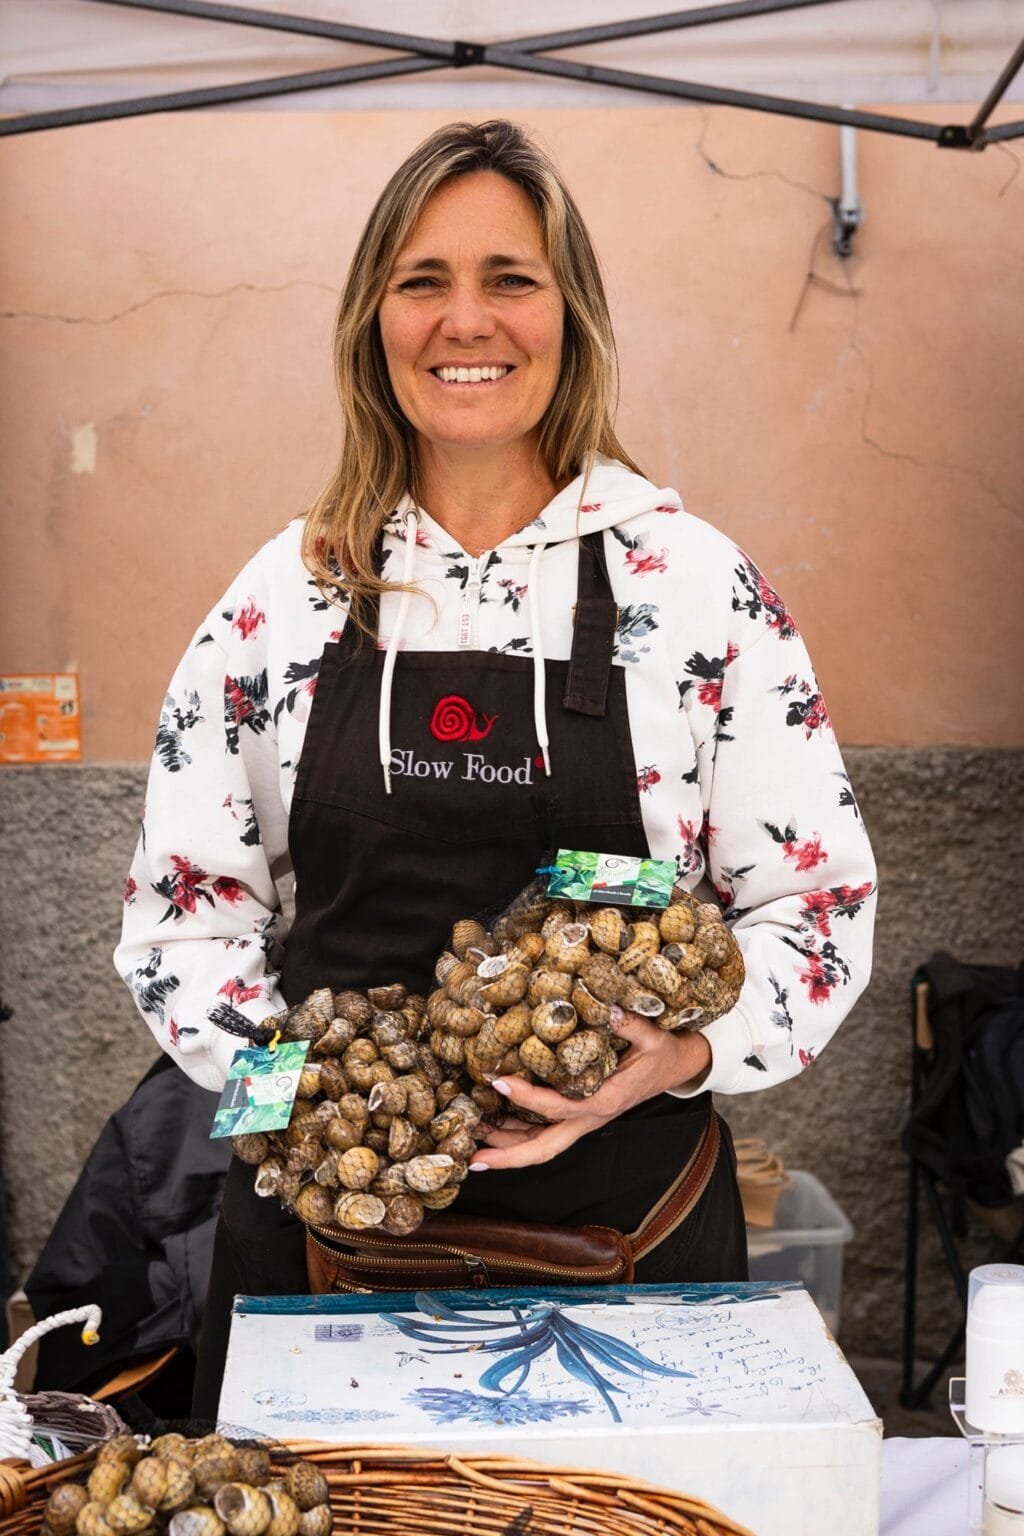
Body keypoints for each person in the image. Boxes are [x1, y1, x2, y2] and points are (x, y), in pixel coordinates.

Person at [115, 119, 877, 1416]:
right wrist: (306, 1110)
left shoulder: (694, 591)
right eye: (424, 282)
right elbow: (183, 926)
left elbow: (816, 913)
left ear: (570, 315)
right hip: (323, 1277)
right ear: (374, 322)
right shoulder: (289, 599)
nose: (467, 321)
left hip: (631, 1264)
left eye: (510, 279)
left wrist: (675, 1060)